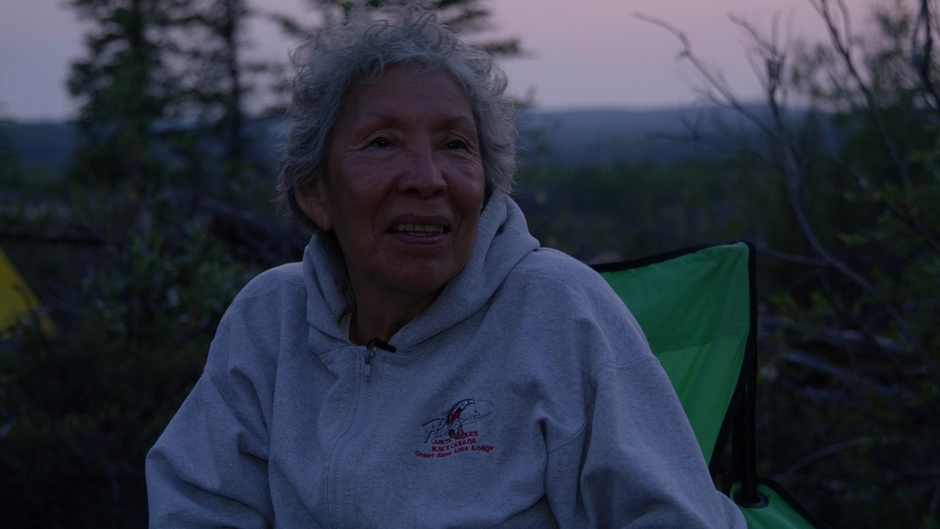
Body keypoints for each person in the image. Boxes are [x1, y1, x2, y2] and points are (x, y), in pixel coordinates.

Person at [146, 6, 747, 528]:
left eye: (456, 145)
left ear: (486, 185)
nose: (427, 178)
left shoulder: (559, 313)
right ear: (314, 194)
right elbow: (199, 507)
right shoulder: (269, 322)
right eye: (382, 142)